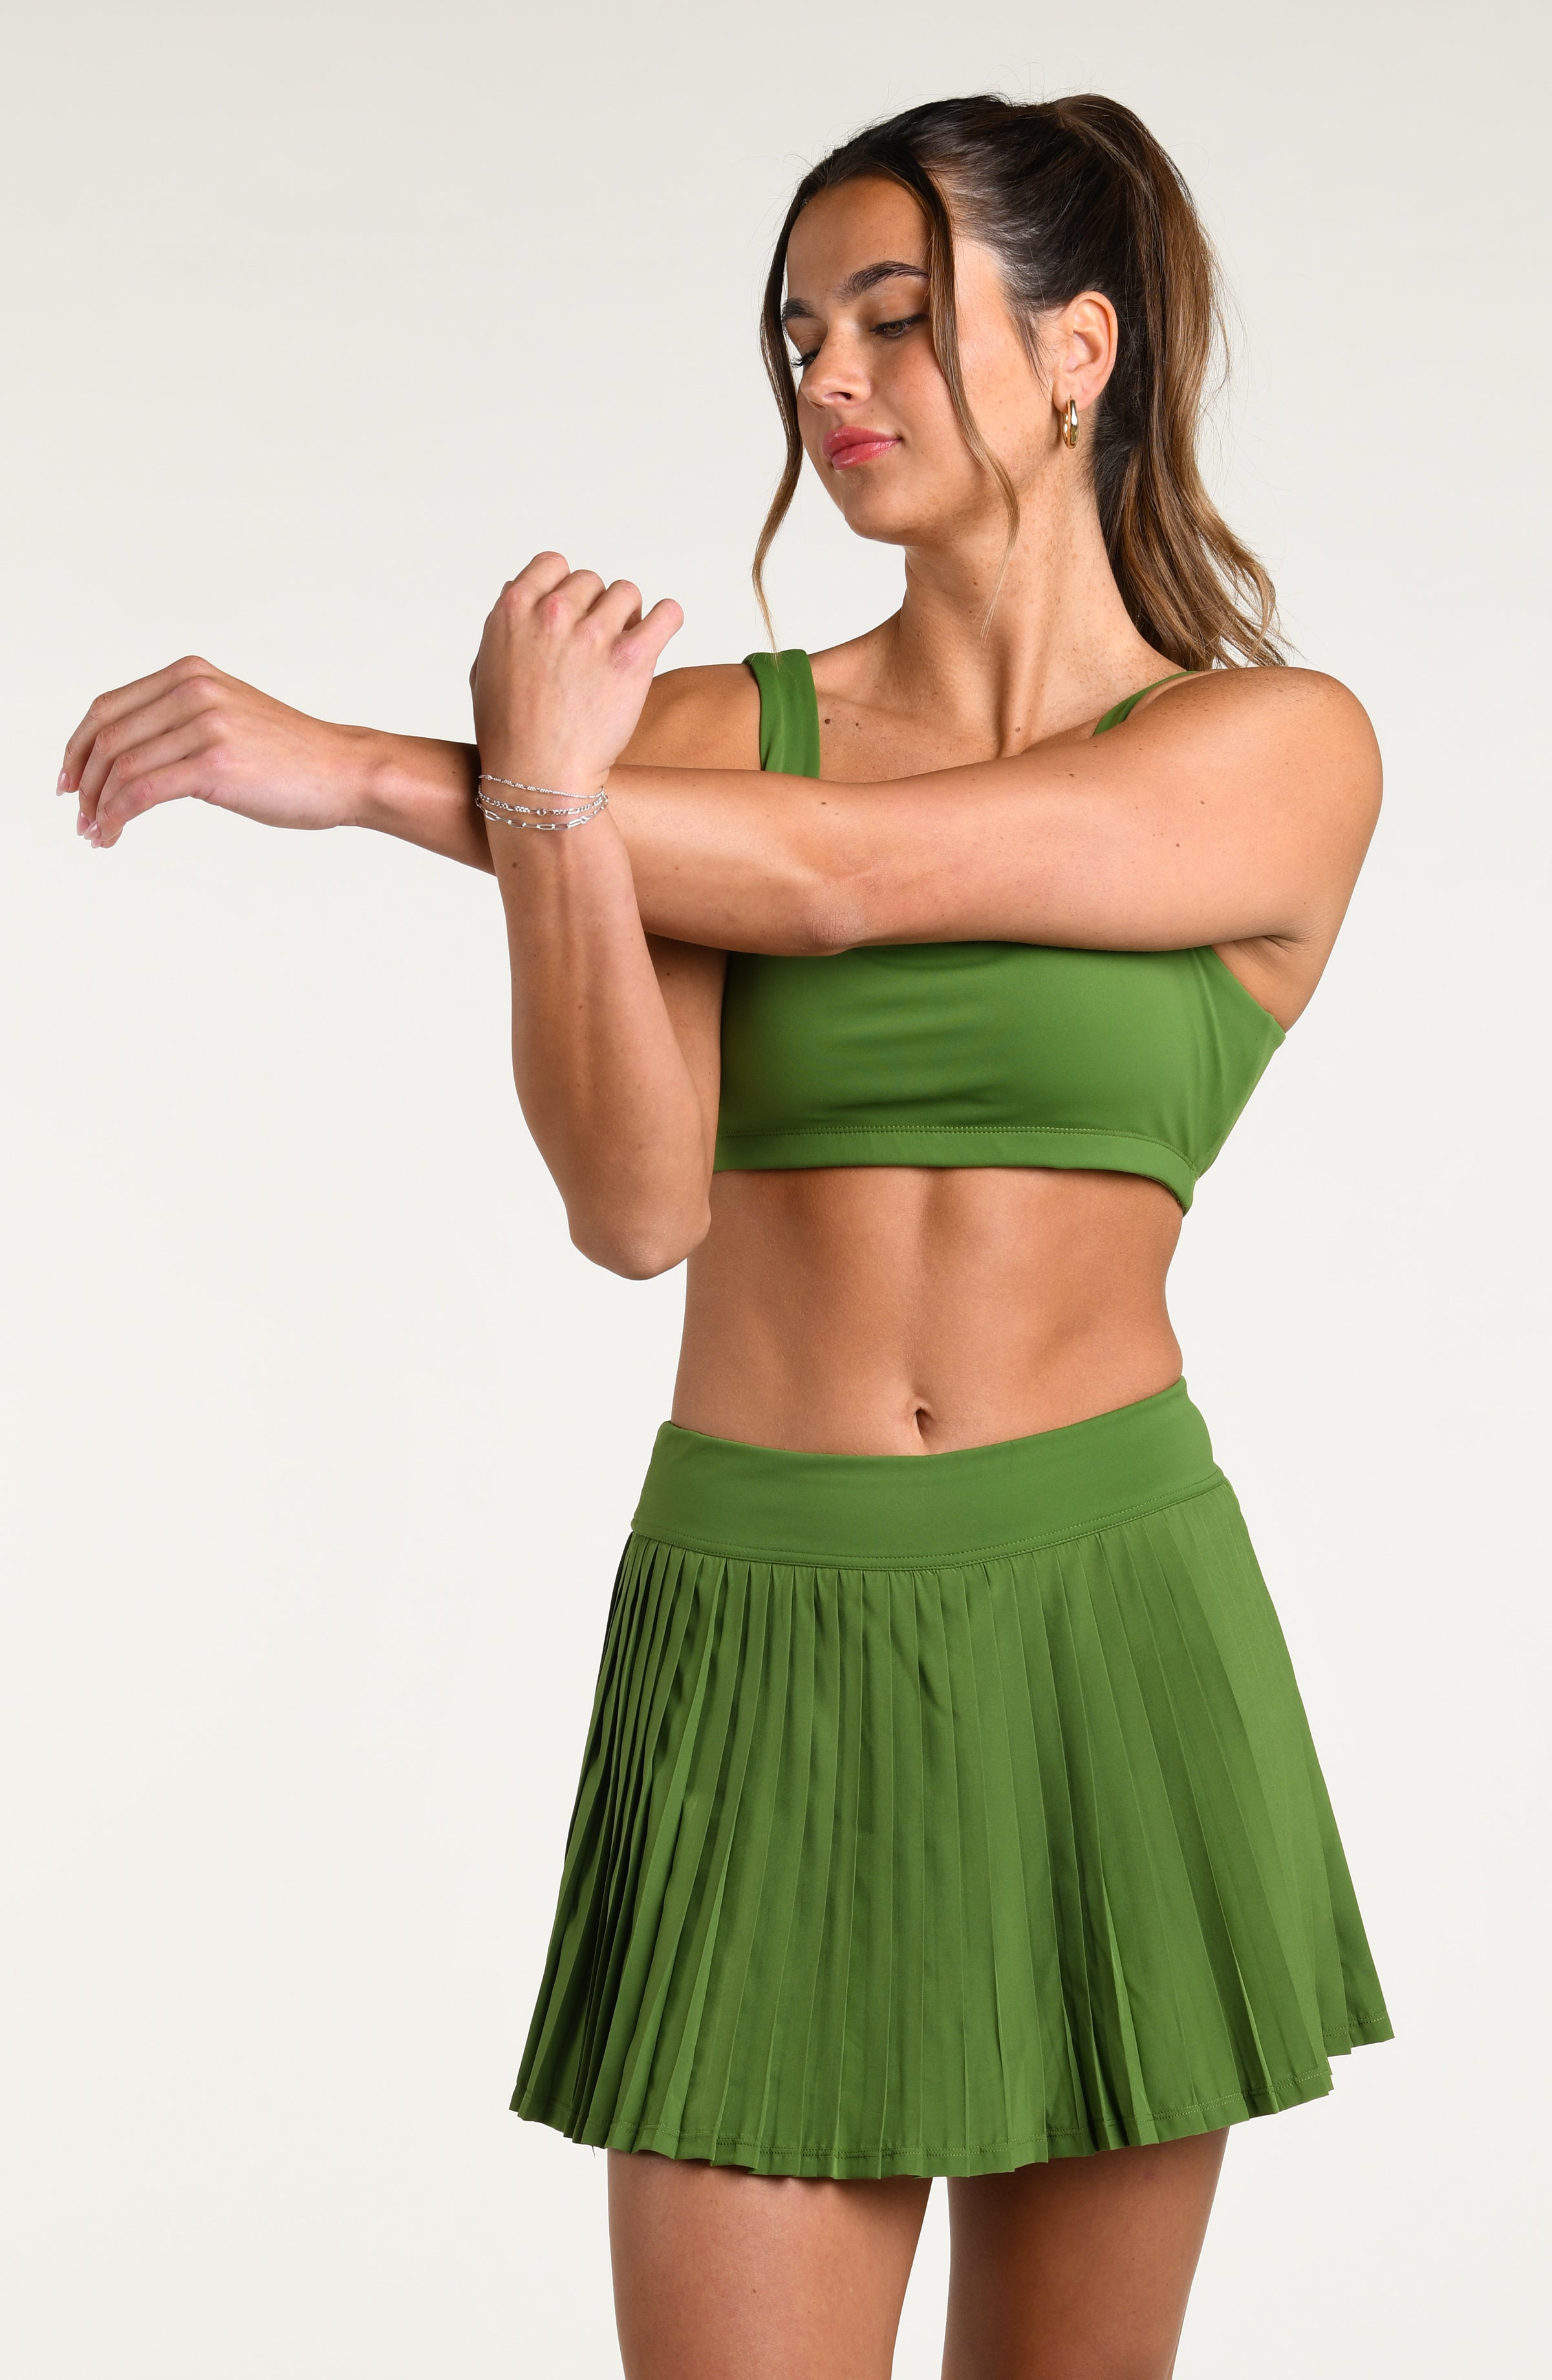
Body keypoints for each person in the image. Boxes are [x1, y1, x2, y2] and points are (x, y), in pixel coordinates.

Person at [61, 92, 1391, 2380]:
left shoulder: (1273, 749)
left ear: (1082, 350)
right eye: (796, 336)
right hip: (762, 1616)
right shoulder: (676, 743)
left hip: (1111, 1626)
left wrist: (393, 772)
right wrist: (558, 800)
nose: (831, 382)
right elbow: (633, 1206)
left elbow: (855, 879)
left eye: (895, 315)